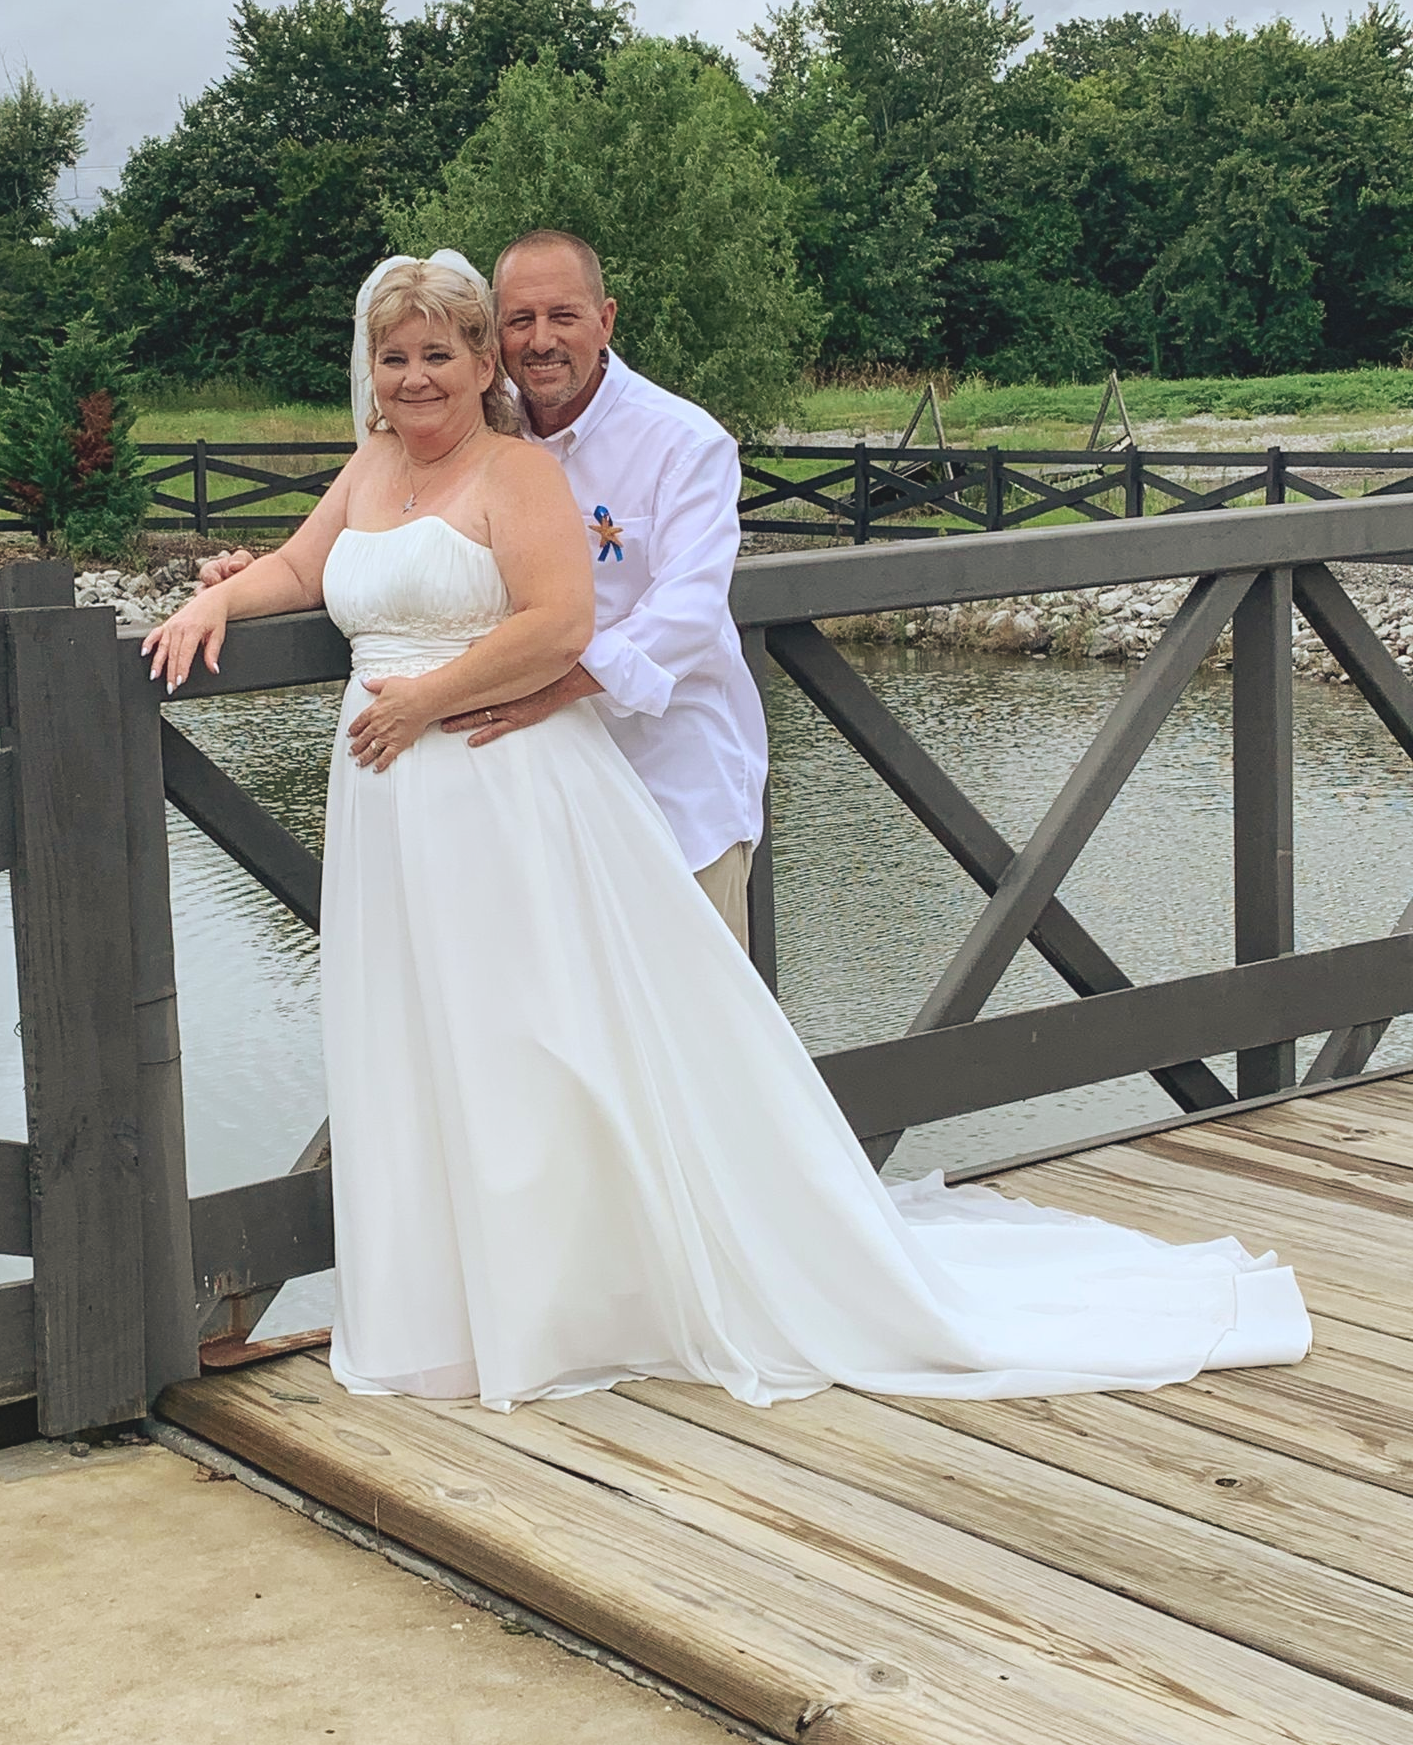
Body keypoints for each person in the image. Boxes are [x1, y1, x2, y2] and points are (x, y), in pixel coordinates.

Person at [145, 256, 1310, 1413]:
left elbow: (646, 616)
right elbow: (314, 565)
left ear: (578, 326)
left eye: (455, 349)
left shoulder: (652, 445)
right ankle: (491, 1300)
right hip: (426, 809)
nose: (426, 372)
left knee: (661, 1055)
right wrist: (220, 594)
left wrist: (459, 695)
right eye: (405, 354)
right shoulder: (400, 460)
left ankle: (683, 1280)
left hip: (623, 784)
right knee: (469, 1046)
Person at [194, 231, 765, 948]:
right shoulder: (474, 427)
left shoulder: (684, 443)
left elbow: (688, 613)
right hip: (520, 797)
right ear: (495, 338)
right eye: (520, 320)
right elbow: (373, 549)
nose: (541, 340)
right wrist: (238, 583)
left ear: (607, 319)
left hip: (667, 779)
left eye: (563, 316)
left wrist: (547, 688)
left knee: (684, 1027)